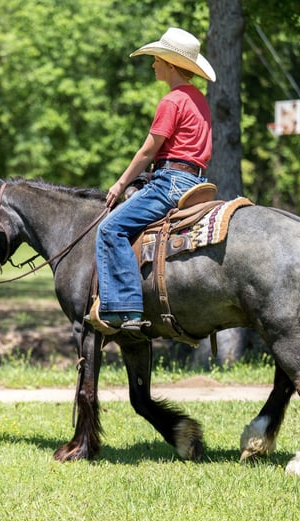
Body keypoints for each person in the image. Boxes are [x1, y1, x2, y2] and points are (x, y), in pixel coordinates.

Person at [93, 27, 217, 331]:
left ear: (171, 65)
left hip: (172, 182)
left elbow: (149, 150)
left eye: (157, 59)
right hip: (197, 182)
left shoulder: (172, 101)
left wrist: (120, 183)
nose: (153, 64)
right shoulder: (198, 99)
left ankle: (126, 308)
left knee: (110, 229)